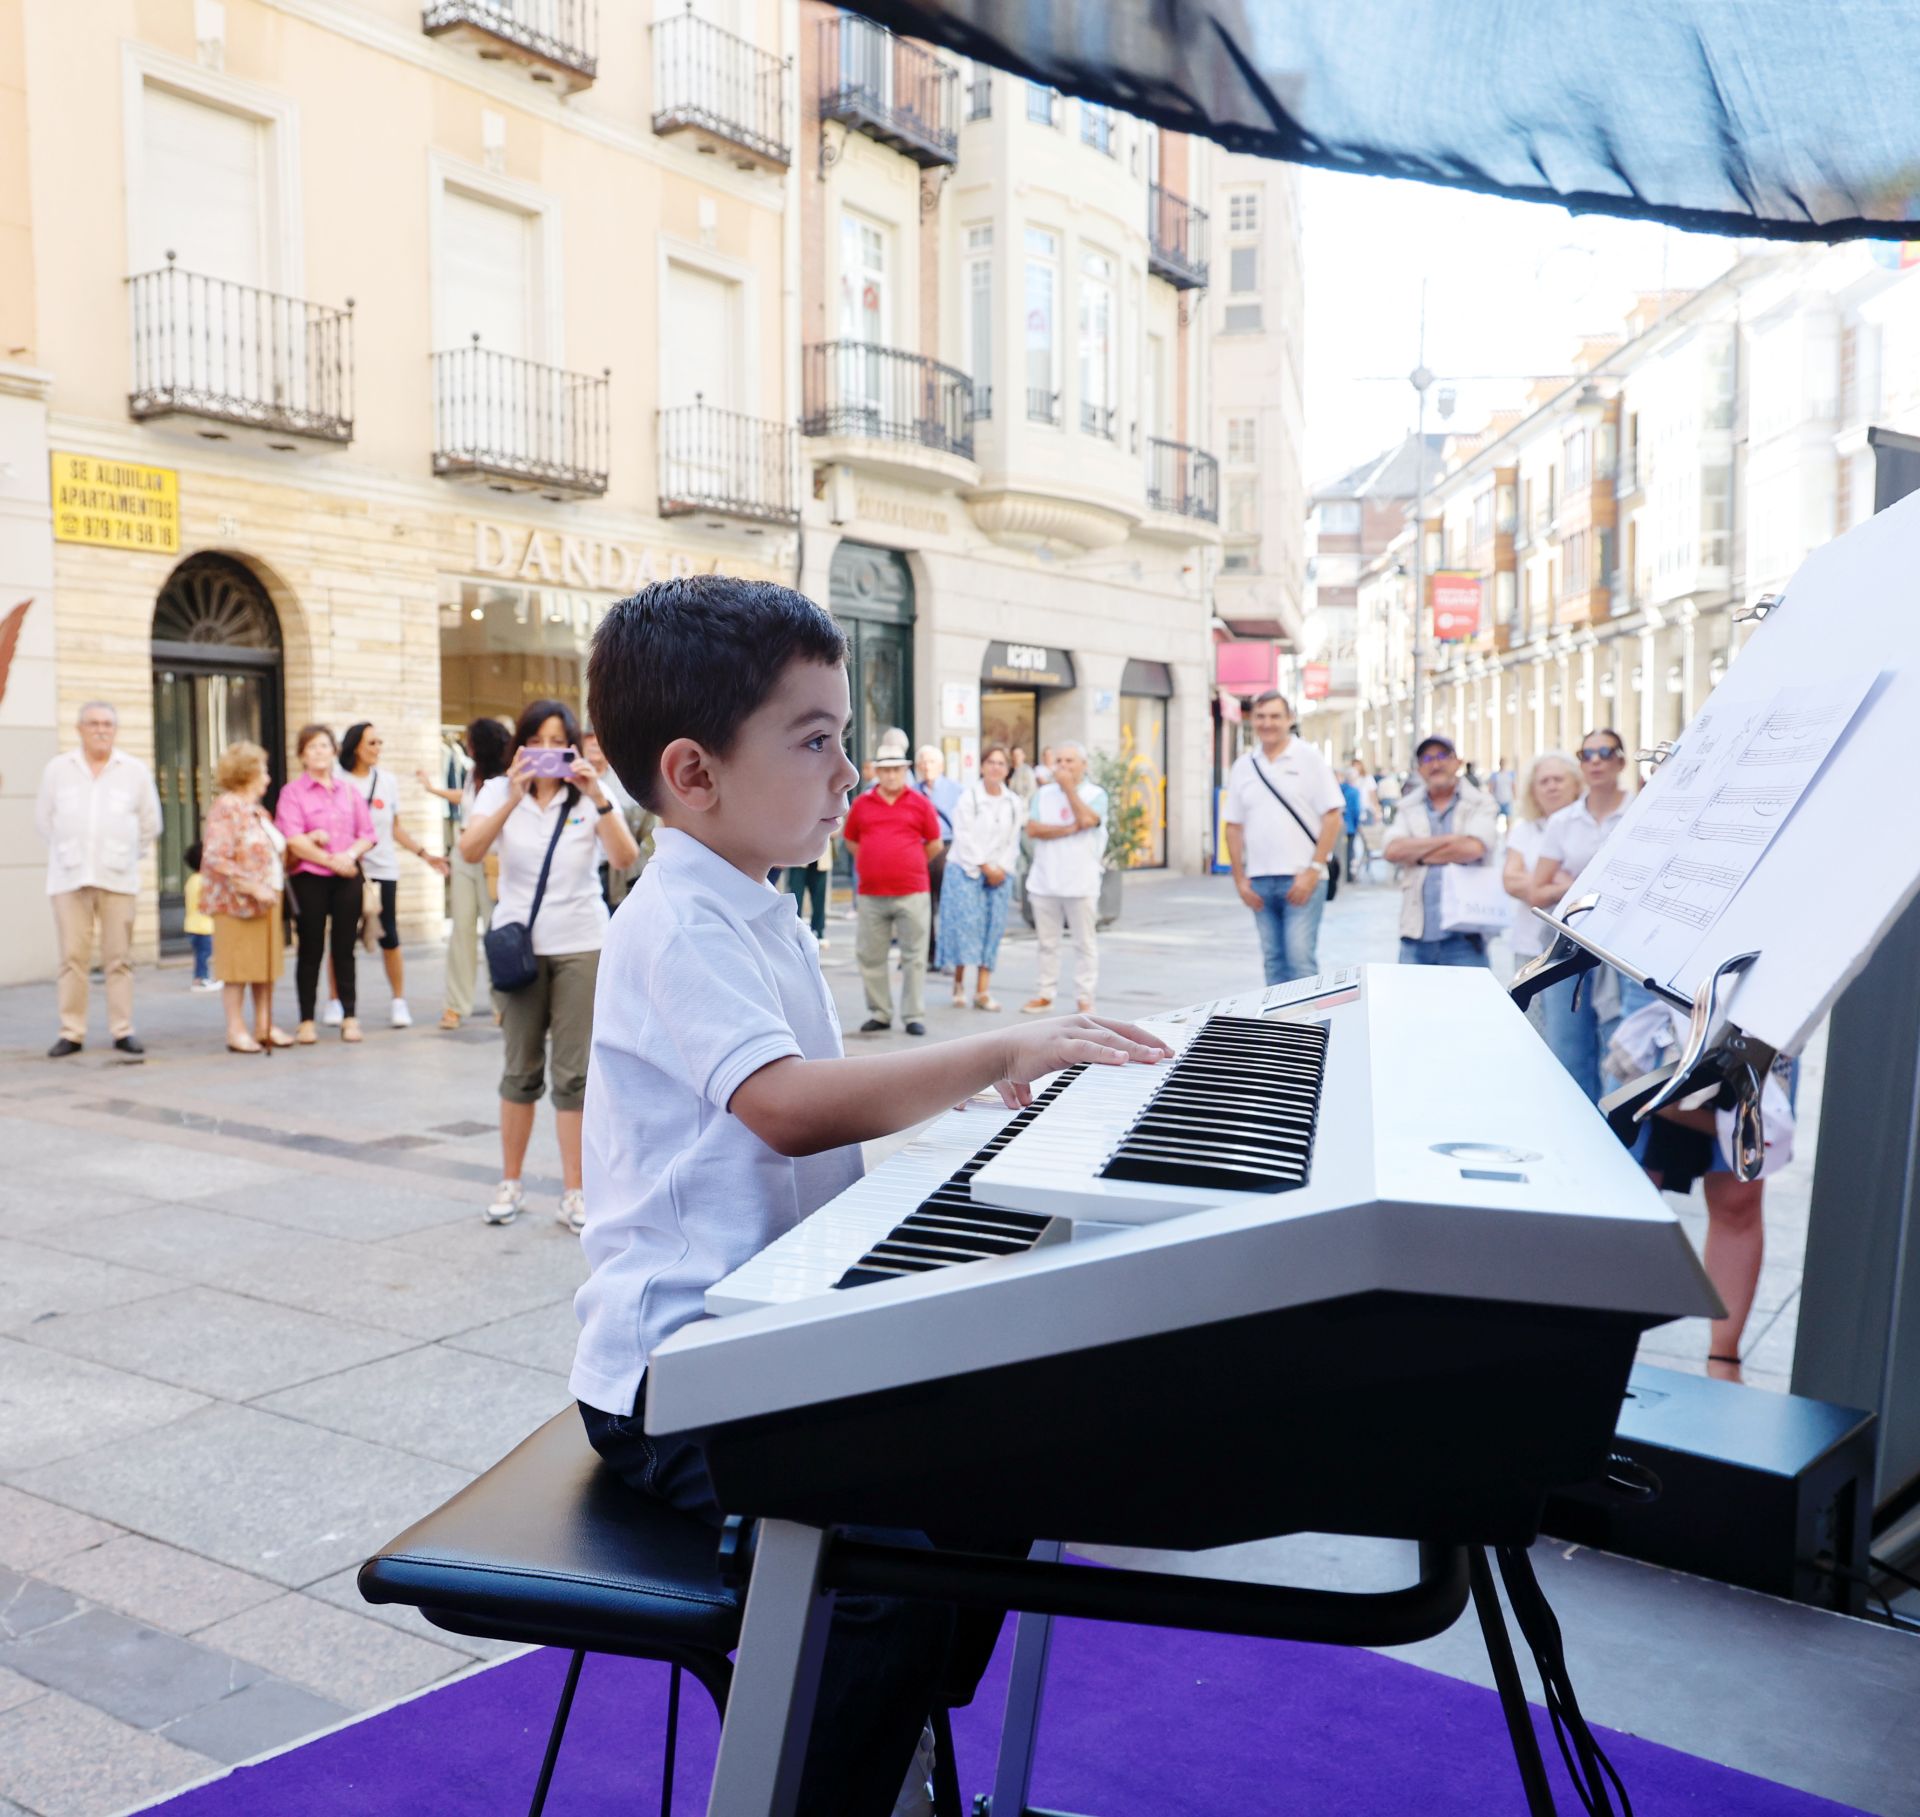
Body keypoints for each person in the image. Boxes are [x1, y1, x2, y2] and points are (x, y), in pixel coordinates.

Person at [570, 573, 1171, 1816]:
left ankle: (877, 1718)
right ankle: (825, 1773)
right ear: (694, 772)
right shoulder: (677, 915)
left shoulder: (760, 908)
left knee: (1007, 1446)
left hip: (776, 1333)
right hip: (676, 1377)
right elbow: (787, 1103)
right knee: (890, 1551)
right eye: (816, 738)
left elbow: (817, 1111)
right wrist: (999, 1050)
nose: (849, 769)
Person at [460, 698, 638, 1231]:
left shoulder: (591, 793)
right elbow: (469, 851)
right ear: (520, 744)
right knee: (519, 1070)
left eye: (555, 742)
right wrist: (511, 800)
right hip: (519, 945)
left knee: (575, 1075)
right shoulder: (497, 790)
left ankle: (576, 1191)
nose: (544, 753)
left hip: (582, 942)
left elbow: (626, 858)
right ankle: (509, 1182)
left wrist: (595, 795)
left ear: (571, 745)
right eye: (534, 741)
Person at [35, 701, 161, 1057]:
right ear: (80, 729)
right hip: (69, 877)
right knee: (72, 958)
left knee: (118, 957)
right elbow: (45, 820)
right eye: (93, 724)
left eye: (108, 724)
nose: (101, 730)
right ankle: (71, 1031)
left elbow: (150, 823)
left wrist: (125, 857)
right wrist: (69, 851)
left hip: (117, 878)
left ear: (115, 730)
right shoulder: (58, 770)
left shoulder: (133, 771)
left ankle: (122, 1029)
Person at [1527, 727, 1638, 1100]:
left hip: (1622, 945)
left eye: (1604, 753)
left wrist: (1578, 880)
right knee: (1568, 1047)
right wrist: (1582, 888)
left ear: (1621, 760)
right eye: (1586, 754)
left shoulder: (1640, 809)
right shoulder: (1564, 821)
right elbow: (1536, 890)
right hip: (1571, 942)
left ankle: (1613, 1135)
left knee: (1617, 1043)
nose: (1595, 761)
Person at [329, 722, 449, 1030]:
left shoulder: (387, 781)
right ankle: (335, 1000)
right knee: (342, 937)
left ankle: (398, 1001)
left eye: (380, 742)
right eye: (372, 743)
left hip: (382, 870)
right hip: (347, 869)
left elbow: (394, 828)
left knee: (389, 935)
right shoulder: (337, 780)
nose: (378, 748)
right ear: (355, 746)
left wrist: (425, 855)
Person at [1221, 692, 1344, 987]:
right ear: (1252, 720)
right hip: (1260, 881)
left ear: (1289, 719)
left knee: (1300, 961)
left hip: (1300, 878)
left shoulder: (1308, 758)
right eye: (1261, 716)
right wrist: (1240, 879)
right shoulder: (1244, 766)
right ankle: (1279, 1031)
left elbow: (1332, 816)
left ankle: (1307, 1032)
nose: (1268, 723)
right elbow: (1233, 826)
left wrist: (1314, 870)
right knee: (1273, 962)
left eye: (1276, 716)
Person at [277, 724, 376, 1044]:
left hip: (347, 876)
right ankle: (306, 1019)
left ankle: (350, 1016)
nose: (319, 752)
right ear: (302, 756)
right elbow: (292, 839)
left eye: (324, 746)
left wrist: (348, 855)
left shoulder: (349, 791)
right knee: (310, 948)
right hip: (309, 877)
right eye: (311, 747)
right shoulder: (292, 793)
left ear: (334, 751)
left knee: (345, 948)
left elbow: (368, 834)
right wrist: (330, 860)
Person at [842, 733, 942, 1036]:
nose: (891, 775)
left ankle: (913, 1014)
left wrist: (907, 862)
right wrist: (877, 862)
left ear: (905, 771)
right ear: (877, 772)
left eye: (897, 769)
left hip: (912, 891)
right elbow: (851, 841)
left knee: (914, 956)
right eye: (885, 769)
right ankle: (881, 1012)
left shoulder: (920, 803)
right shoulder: (862, 803)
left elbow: (935, 844)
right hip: (872, 893)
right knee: (871, 956)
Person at [419, 716, 513, 1030]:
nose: (467, 745)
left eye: (471, 740)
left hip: (493, 860)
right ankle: (456, 1006)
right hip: (463, 854)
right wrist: (433, 790)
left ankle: (504, 1004)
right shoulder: (472, 773)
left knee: (495, 932)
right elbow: (467, 801)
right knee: (461, 929)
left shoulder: (506, 780)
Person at [198, 740, 291, 1054]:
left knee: (264, 968)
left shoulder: (257, 811)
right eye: (263, 770)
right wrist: (253, 886)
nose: (267, 776)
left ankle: (265, 1025)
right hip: (236, 904)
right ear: (248, 772)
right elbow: (215, 857)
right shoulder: (228, 807)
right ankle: (235, 1030)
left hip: (267, 901)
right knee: (237, 969)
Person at [1383, 734, 1499, 967]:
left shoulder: (1480, 803)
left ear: (1457, 761)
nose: (1436, 764)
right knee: (1410, 1004)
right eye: (1427, 759)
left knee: (1469, 1004)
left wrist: (1419, 856)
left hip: (1465, 937)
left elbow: (1473, 847)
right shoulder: (1407, 806)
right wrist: (1451, 841)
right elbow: (1393, 850)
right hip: (1416, 934)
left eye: (1442, 756)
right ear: (1419, 768)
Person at [1022, 741, 1108, 1015]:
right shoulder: (1043, 794)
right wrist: (1069, 828)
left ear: (1083, 765)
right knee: (1047, 943)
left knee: (1084, 944)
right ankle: (1045, 993)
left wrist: (1069, 790)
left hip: (1081, 881)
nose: (1063, 766)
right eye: (1059, 761)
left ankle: (1085, 997)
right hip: (1045, 879)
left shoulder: (1096, 794)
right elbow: (1033, 829)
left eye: (1070, 761)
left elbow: (1089, 820)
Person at [1502, 749, 1583, 1038]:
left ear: (1576, 783)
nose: (1551, 786)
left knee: (1569, 1037)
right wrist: (1560, 886)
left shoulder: (1583, 827)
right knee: (1532, 1032)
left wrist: (1536, 885)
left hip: (1573, 953)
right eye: (1544, 781)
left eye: (1558, 779)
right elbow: (1510, 880)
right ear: (1532, 791)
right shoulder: (1525, 830)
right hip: (1529, 947)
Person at [939, 744, 1022, 1011]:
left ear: (1007, 769)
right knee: (966, 929)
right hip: (967, 870)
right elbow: (964, 836)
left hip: (1000, 873)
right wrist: (985, 866)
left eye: (1001, 763)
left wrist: (1001, 869)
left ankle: (983, 991)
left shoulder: (1013, 802)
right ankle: (960, 983)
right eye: (991, 762)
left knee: (992, 929)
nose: (996, 767)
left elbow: (1013, 840)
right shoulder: (969, 797)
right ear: (982, 766)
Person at [915, 745, 961, 967]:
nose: (926, 766)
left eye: (931, 762)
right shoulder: (912, 790)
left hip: (947, 846)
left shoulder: (955, 790)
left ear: (941, 766)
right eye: (922, 762)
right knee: (924, 905)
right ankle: (929, 954)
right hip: (920, 848)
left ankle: (948, 955)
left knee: (948, 904)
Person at [182, 843, 218, 992]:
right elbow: (208, 902)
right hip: (203, 926)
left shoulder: (191, 880)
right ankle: (201, 979)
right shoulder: (204, 881)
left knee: (200, 954)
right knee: (204, 954)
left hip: (191, 924)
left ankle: (200, 978)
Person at [787, 833, 834, 945]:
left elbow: (837, 829)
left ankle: (818, 929)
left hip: (821, 857)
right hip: (799, 856)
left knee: (819, 897)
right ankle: (794, 929)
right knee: (796, 895)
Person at [1489, 756, 1517, 825]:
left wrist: (1515, 797)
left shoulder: (1510, 774)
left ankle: (1508, 834)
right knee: (1494, 819)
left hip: (1507, 799)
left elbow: (1513, 786)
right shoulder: (1495, 775)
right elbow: (1491, 787)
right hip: (1497, 800)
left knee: (1509, 820)